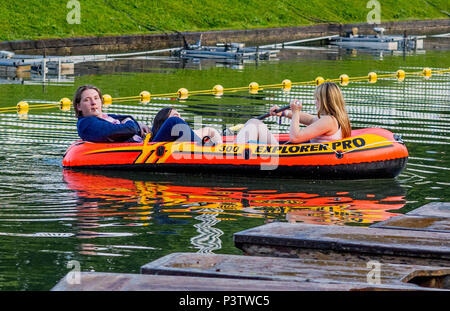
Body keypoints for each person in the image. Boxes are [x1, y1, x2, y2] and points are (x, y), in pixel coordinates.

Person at [270, 81, 351, 143]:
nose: (315, 102)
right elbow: (310, 120)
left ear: (325, 101)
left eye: (317, 99)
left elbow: (295, 138)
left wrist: (296, 112)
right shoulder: (334, 118)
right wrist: (284, 113)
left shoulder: (329, 121)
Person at [73, 85, 150, 143]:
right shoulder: (87, 123)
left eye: (96, 98)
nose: (93, 103)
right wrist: (131, 122)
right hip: (140, 146)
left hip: (146, 141)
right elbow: (130, 128)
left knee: (161, 117)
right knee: (162, 114)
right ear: (79, 106)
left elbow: (128, 118)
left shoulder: (104, 117)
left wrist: (139, 124)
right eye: (87, 100)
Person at [150, 107, 223, 145]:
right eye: (177, 116)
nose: (182, 119)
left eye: (180, 116)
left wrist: (219, 146)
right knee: (174, 121)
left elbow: (210, 130)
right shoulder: (173, 122)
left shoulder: (186, 134)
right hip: (155, 147)